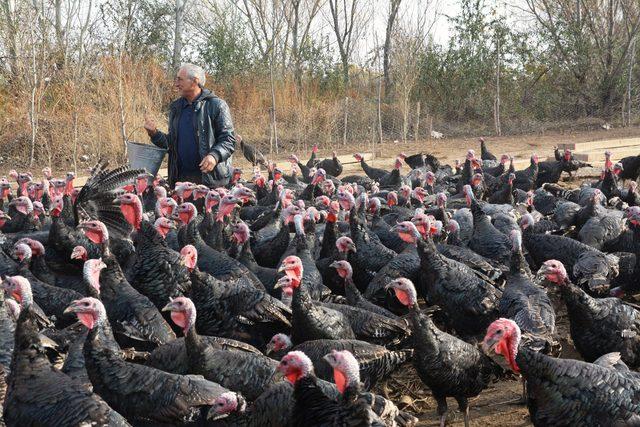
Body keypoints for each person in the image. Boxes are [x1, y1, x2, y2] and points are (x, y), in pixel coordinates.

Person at [144, 63, 236, 188]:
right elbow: (171, 145)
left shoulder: (216, 105)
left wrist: (214, 156)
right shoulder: (176, 107)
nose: (176, 84)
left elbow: (229, 140)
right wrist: (154, 134)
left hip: (210, 180)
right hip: (181, 181)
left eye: (180, 79)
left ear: (195, 81)